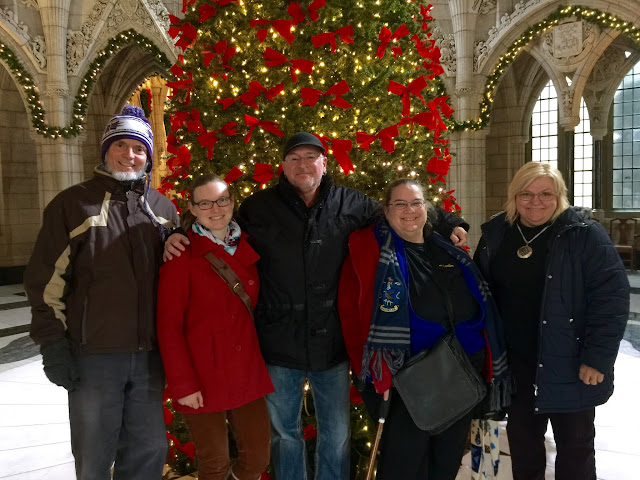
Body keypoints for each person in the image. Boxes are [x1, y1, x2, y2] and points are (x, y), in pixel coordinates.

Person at [164, 132, 469, 480]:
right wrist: (177, 232)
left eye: (311, 157)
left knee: (336, 435)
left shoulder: (353, 204)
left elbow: (403, 208)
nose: (303, 165)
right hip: (278, 344)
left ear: (325, 163)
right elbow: (215, 225)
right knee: (284, 435)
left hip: (331, 344)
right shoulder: (258, 208)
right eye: (294, 158)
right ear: (283, 166)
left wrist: (451, 223)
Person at [24, 105, 178, 480]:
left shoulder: (164, 209)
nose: (130, 155)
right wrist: (52, 343)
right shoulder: (73, 204)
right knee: (93, 454)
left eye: (139, 148)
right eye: (121, 145)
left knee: (149, 449)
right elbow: (46, 280)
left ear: (149, 156)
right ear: (106, 150)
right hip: (93, 355)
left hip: (149, 357)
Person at [338, 178, 511, 480]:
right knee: (404, 464)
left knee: (446, 460)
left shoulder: (447, 249)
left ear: (427, 208)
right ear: (386, 210)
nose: (409, 210)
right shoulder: (370, 252)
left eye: (416, 203)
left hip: (462, 371)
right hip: (408, 374)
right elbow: (351, 315)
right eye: (400, 203)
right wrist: (370, 373)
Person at [474, 162, 630, 480]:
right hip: (514, 364)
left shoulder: (584, 235)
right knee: (524, 445)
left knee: (575, 449)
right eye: (526, 194)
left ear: (560, 196)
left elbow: (611, 301)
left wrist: (596, 359)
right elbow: (479, 292)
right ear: (513, 196)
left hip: (570, 363)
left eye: (546, 193)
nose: (536, 201)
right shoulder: (497, 232)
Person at [157, 174, 273, 480]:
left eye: (222, 199)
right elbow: (168, 327)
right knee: (214, 463)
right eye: (205, 203)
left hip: (246, 367)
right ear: (193, 209)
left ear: (232, 202)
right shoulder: (180, 255)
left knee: (258, 457)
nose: (216, 208)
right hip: (201, 373)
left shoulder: (248, 244)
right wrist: (183, 384)